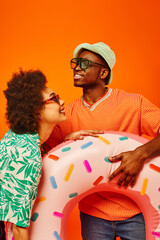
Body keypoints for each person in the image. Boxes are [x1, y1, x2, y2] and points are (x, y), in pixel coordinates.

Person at [45, 42, 160, 240]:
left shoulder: (133, 103)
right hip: (93, 215)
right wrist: (65, 140)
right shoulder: (66, 116)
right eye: (75, 63)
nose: (77, 67)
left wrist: (140, 154)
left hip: (135, 212)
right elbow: (42, 153)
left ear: (103, 72)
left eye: (84, 63)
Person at [0, 69, 67, 240]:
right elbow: (19, 226)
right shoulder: (27, 155)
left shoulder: (19, 137)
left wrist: (69, 139)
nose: (62, 101)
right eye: (54, 98)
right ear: (36, 111)